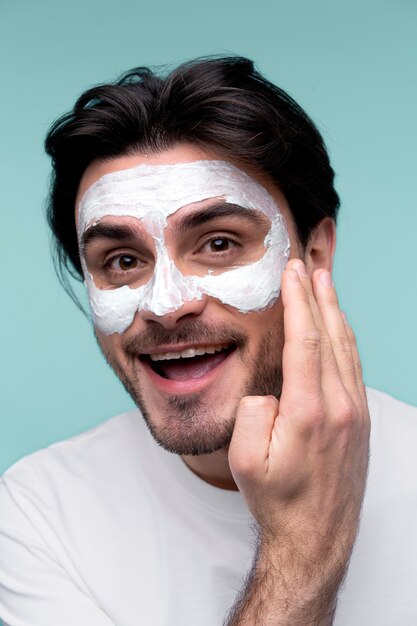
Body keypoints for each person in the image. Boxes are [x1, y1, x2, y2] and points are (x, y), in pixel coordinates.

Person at [0, 56, 416, 626]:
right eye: (122, 261)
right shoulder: (38, 512)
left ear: (314, 255)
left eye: (219, 243)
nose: (166, 305)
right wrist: (303, 549)